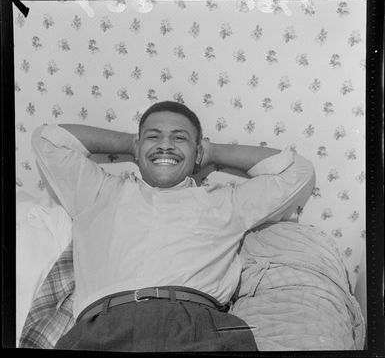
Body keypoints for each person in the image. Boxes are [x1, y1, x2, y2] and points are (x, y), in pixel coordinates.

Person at [31, 101, 315, 352]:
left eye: (180, 138)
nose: (165, 145)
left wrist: (213, 152)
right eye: (153, 137)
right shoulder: (97, 191)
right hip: (103, 329)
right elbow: (47, 139)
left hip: (200, 328)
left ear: (197, 151)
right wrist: (131, 142)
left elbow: (297, 171)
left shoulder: (226, 201)